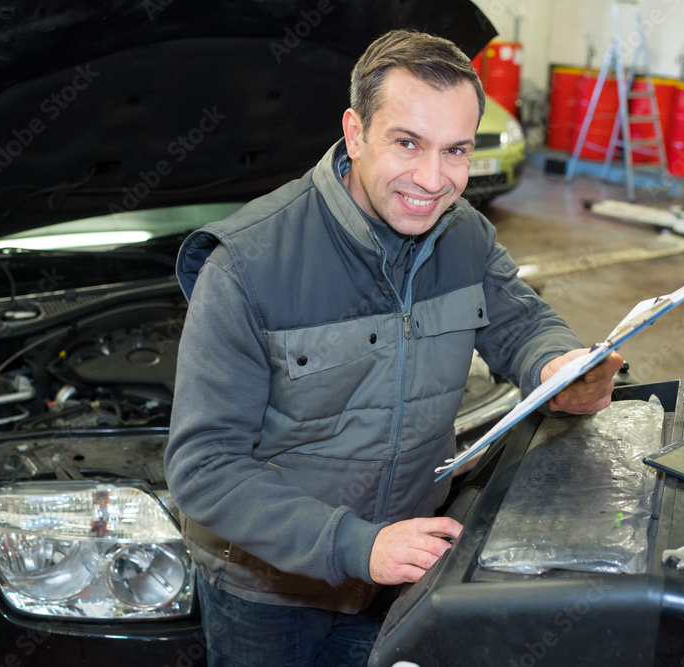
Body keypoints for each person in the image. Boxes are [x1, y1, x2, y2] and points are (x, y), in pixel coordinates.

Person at [165, 29, 622, 667]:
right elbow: (203, 468)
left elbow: (520, 322)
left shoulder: (464, 235)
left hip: (402, 574)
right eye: (407, 143)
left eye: (456, 150)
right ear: (355, 133)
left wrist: (559, 365)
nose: (433, 180)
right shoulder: (247, 266)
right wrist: (356, 546)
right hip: (269, 597)